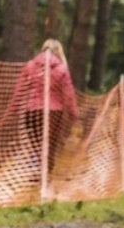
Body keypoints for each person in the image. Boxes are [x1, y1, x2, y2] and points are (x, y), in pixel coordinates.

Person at [5, 38, 79, 170]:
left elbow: (19, 91)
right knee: (49, 146)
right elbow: (69, 95)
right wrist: (74, 114)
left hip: (32, 112)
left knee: (36, 144)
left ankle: (35, 168)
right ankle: (43, 175)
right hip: (54, 114)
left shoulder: (30, 65)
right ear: (59, 52)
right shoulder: (62, 69)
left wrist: (11, 111)